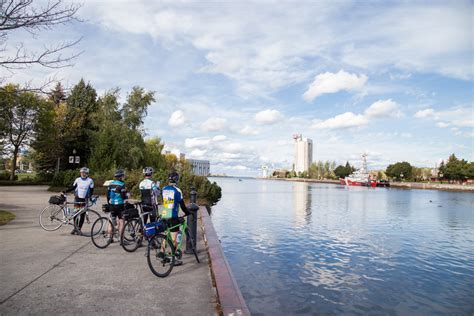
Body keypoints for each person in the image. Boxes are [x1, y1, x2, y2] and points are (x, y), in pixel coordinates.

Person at [161, 171, 190, 266]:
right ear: (177, 180)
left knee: (165, 235)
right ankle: (174, 259)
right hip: (173, 216)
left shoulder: (164, 189)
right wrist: (187, 212)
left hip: (164, 215)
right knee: (175, 238)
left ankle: (162, 253)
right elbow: (182, 205)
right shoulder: (177, 190)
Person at [64, 167, 94, 235]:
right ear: (80, 173)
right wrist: (65, 191)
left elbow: (92, 190)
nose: (83, 174)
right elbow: (73, 187)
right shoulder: (77, 180)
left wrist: (91, 198)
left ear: (87, 173)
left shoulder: (90, 181)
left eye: (85, 173)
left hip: (85, 199)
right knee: (75, 214)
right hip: (77, 199)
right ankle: (75, 228)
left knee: (82, 215)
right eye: (82, 172)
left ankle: (79, 228)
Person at [107, 169, 128, 242]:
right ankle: (121, 240)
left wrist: (109, 204)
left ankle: (110, 238)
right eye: (123, 175)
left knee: (112, 221)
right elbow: (123, 196)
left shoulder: (111, 183)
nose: (124, 177)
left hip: (112, 205)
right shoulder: (122, 184)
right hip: (119, 205)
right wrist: (127, 196)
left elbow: (108, 195)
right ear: (121, 176)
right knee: (121, 221)